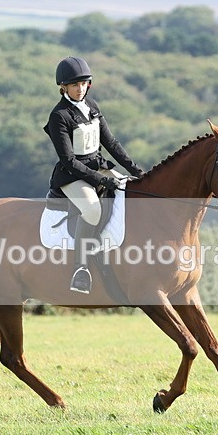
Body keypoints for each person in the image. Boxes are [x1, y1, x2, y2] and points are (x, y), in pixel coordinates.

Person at [44, 56, 144, 294]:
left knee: (132, 190)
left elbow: (111, 142)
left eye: (84, 84)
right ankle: (81, 269)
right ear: (63, 87)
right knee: (92, 209)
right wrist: (100, 180)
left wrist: (136, 170)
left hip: (97, 166)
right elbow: (68, 160)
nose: (80, 89)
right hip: (72, 175)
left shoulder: (92, 107)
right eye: (75, 85)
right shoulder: (59, 116)